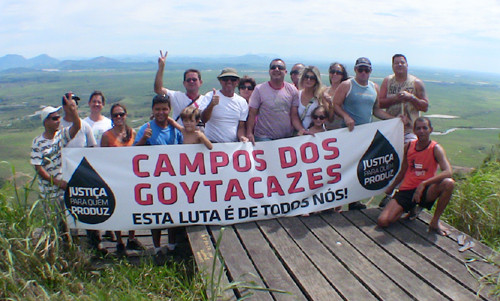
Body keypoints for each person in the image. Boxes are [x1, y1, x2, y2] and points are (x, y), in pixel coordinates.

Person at [333, 57, 396, 210]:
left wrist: (394, 120)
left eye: (366, 70)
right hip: (348, 134)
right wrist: (346, 117)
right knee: (345, 168)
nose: (363, 72)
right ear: (355, 70)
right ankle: (337, 204)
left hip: (366, 136)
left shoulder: (374, 87)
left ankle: (354, 202)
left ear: (370, 71)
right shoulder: (347, 85)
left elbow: (376, 110)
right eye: (360, 69)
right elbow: (336, 104)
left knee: (360, 168)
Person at [377, 117, 454, 236]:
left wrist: (424, 184)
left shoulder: (435, 148)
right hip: (407, 190)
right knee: (383, 221)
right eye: (418, 128)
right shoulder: (409, 146)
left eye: (425, 128)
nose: (422, 131)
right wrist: (391, 188)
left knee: (448, 183)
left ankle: (435, 222)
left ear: (431, 130)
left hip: (426, 190)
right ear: (414, 131)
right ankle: (411, 208)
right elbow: (403, 170)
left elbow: (448, 172)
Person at [134, 94, 183, 260]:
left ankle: (171, 244)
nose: (161, 112)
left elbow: (185, 149)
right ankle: (156, 247)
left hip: (173, 178)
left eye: (164, 109)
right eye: (157, 109)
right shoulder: (145, 128)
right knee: (155, 214)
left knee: (172, 212)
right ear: (152, 110)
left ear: (169, 110)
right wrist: (143, 140)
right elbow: (132, 153)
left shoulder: (175, 129)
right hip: (152, 181)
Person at [30, 93, 81, 242]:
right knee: (57, 228)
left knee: (71, 225)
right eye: (54, 118)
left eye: (58, 117)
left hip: (63, 190)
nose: (58, 120)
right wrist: (57, 182)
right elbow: (38, 168)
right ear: (45, 122)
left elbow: (77, 126)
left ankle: (74, 253)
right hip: (49, 193)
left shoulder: (61, 136)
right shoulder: (37, 142)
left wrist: (72, 109)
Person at [101, 103, 146, 256]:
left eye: (121, 114)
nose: (119, 117)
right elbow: (102, 158)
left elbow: (137, 151)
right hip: (114, 177)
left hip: (131, 176)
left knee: (133, 206)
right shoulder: (107, 136)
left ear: (126, 115)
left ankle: (131, 238)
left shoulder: (132, 132)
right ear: (112, 118)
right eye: (115, 115)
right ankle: (119, 240)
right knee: (117, 208)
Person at [247, 58, 304, 143]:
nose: (276, 69)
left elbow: (294, 115)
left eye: (280, 67)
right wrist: (249, 133)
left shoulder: (292, 90)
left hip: (286, 138)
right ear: (269, 71)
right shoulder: (259, 89)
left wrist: (301, 130)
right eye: (273, 67)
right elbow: (252, 113)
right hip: (264, 138)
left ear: (285, 72)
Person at [379, 54, 429, 143]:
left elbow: (425, 107)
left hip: (410, 130)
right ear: (392, 66)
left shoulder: (416, 83)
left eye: (402, 62)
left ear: (407, 65)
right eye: (396, 63)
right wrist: (395, 99)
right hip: (392, 128)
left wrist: (411, 98)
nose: (399, 65)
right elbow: (380, 103)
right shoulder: (387, 81)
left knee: (410, 153)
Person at [199, 68, 249, 143]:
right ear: (220, 81)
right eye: (225, 79)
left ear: (237, 82)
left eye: (233, 79)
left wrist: (241, 137)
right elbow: (203, 119)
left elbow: (241, 126)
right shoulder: (210, 96)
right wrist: (211, 105)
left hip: (232, 145)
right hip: (212, 144)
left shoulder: (242, 102)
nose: (229, 82)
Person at [154, 50, 204, 125]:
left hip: (201, 135)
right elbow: (158, 89)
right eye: (188, 80)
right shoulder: (177, 96)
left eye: (194, 79)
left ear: (200, 82)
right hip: (180, 135)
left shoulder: (206, 100)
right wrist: (161, 68)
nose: (191, 82)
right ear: (184, 83)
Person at [297, 66, 326, 132]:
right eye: (306, 77)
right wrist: (302, 130)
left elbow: (328, 116)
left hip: (316, 134)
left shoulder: (320, 97)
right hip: (300, 134)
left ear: (316, 80)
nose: (308, 80)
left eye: (312, 78)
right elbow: (293, 116)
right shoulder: (297, 95)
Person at [322, 62, 349, 130]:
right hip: (328, 129)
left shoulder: (346, 91)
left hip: (343, 128)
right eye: (332, 72)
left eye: (338, 72)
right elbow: (327, 115)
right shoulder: (325, 91)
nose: (335, 74)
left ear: (342, 75)